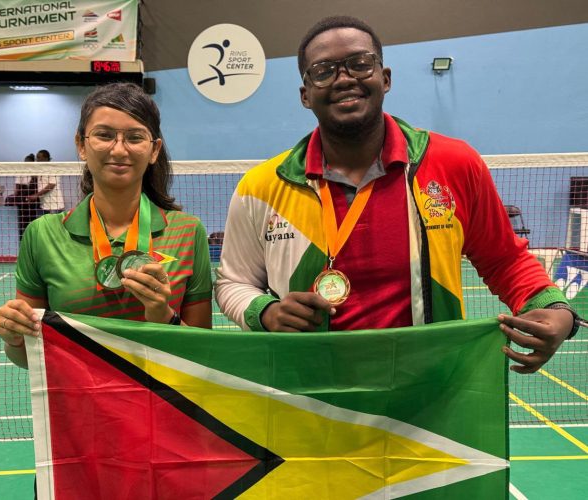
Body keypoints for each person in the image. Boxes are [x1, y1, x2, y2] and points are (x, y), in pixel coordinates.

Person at [215, 15, 579, 374]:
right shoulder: (261, 186)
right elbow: (234, 282)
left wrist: (556, 308)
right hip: (311, 401)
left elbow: (505, 259)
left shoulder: (453, 163)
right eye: (324, 70)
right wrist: (265, 311)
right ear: (305, 95)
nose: (344, 79)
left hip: (427, 396)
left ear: (384, 78)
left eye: (359, 64)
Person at [0, 82, 213, 369]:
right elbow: (30, 357)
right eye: (104, 135)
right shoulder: (42, 235)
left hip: (164, 406)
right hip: (80, 408)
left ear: (154, 150)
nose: (119, 149)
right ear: (81, 145)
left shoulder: (187, 232)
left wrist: (162, 314)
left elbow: (202, 354)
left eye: (135, 137)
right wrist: (14, 338)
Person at [8, 153, 41, 240]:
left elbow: (17, 188)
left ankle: (29, 238)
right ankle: (25, 238)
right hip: (25, 198)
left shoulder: (36, 173)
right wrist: (14, 196)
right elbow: (17, 187)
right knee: (26, 220)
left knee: (30, 219)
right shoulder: (22, 171)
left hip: (31, 199)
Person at [32, 149, 65, 215]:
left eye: (38, 157)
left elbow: (51, 185)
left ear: (46, 158)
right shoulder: (41, 170)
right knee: (44, 225)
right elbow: (34, 177)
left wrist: (36, 195)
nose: (36, 160)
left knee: (55, 225)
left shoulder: (53, 169)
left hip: (55, 206)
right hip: (44, 205)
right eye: (36, 157)